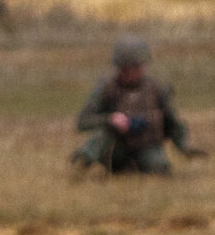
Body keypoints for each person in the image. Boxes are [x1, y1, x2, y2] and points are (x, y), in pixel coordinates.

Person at [72, 35, 197, 174]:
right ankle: (84, 160)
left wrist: (185, 147)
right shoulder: (106, 88)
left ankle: (135, 167)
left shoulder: (156, 88)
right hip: (117, 148)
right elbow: (82, 122)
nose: (133, 71)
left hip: (147, 146)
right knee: (103, 134)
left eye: (138, 66)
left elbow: (173, 122)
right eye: (127, 68)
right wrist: (110, 119)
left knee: (159, 168)